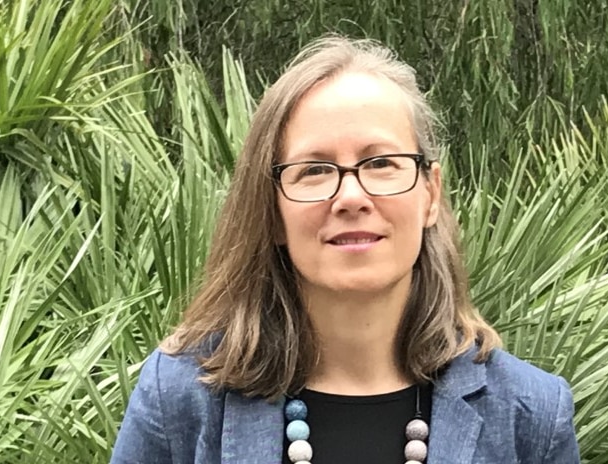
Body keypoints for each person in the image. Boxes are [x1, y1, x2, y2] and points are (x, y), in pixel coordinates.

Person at [110, 36, 580, 464]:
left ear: (430, 194)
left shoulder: (530, 415)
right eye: (314, 170)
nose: (351, 197)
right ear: (272, 212)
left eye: (381, 163)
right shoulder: (180, 399)